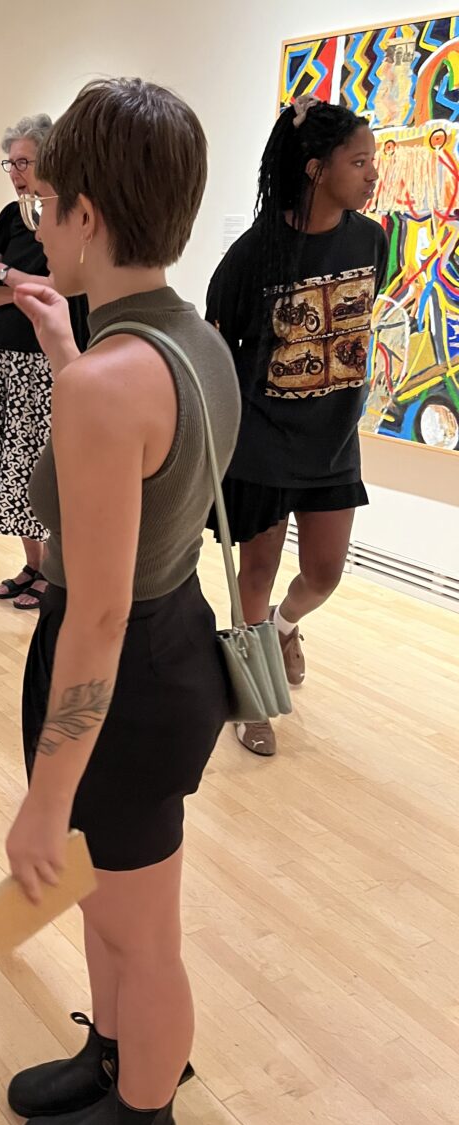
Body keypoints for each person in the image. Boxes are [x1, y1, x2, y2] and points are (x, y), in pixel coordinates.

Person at [3, 78, 241, 1125]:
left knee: (141, 928)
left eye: (45, 201)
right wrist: (67, 350)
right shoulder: (192, 341)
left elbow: (94, 611)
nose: (35, 221)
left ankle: (145, 1119)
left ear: (86, 215)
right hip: (173, 642)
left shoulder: (108, 380)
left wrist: (43, 801)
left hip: (125, 676)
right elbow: (140, 486)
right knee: (116, 897)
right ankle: (111, 1057)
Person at [206, 96, 387, 756]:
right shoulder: (256, 254)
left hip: (335, 441)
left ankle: (284, 627)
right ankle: (253, 701)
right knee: (254, 572)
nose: (372, 175)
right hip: (263, 441)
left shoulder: (371, 239)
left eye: (374, 161)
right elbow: (217, 339)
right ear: (316, 169)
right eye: (359, 161)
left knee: (324, 572)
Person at [0, 115, 88, 610]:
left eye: (24, 162)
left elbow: (66, 285)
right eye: (10, 163)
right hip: (5, 360)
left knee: (46, 468)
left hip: (46, 364)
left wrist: (6, 275)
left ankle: (55, 570)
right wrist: (22, 285)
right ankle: (34, 565)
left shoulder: (70, 214)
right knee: (11, 472)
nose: (15, 172)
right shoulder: (10, 217)